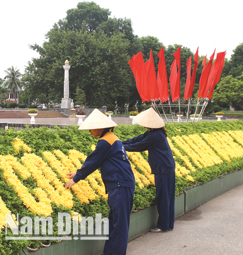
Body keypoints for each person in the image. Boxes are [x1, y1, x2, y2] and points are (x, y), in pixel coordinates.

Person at [65, 109, 135, 255]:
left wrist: (76, 178)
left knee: (119, 225)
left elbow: (93, 161)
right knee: (115, 223)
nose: (90, 130)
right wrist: (78, 172)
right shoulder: (111, 137)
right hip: (120, 185)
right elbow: (99, 161)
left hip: (120, 185)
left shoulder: (105, 142)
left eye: (91, 127)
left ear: (99, 127)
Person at [122, 108, 175, 232]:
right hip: (166, 167)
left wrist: (120, 147)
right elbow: (136, 140)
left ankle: (163, 226)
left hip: (163, 169)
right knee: (167, 196)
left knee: (163, 197)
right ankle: (168, 224)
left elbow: (139, 146)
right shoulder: (153, 133)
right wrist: (119, 143)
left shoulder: (155, 135)